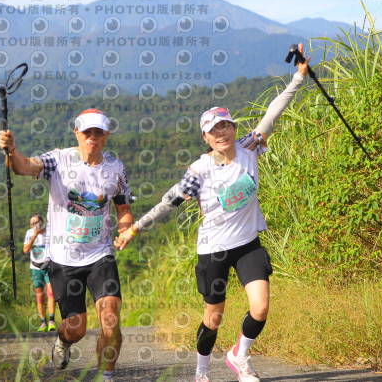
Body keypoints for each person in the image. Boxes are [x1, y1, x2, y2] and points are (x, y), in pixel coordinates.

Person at [115, 44, 310, 382]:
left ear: (233, 128)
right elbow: (167, 202)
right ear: (205, 136)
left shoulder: (250, 148)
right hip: (214, 249)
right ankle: (202, 370)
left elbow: (273, 112)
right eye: (214, 129)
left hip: (247, 244)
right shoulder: (200, 170)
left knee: (261, 306)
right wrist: (135, 228)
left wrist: (298, 78)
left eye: (226, 126)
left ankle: (240, 357)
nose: (221, 133)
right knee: (213, 317)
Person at [0, 108, 134, 382]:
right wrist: (12, 151)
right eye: (87, 132)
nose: (92, 137)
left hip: (100, 255)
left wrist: (125, 230)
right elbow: (23, 167)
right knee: (76, 329)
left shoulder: (115, 168)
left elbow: (124, 209)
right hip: (63, 259)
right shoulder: (58, 159)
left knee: (110, 318)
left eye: (98, 132)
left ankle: (106, 376)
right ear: (77, 133)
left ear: (106, 135)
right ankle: (63, 341)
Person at [23, 213, 56, 332]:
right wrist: (34, 236)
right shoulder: (29, 233)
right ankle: (43, 322)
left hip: (48, 266)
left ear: (42, 222)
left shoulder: (50, 231)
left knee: (51, 292)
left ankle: (52, 320)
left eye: (37, 223)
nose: (35, 225)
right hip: (36, 268)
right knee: (40, 295)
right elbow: (25, 250)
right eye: (32, 224)